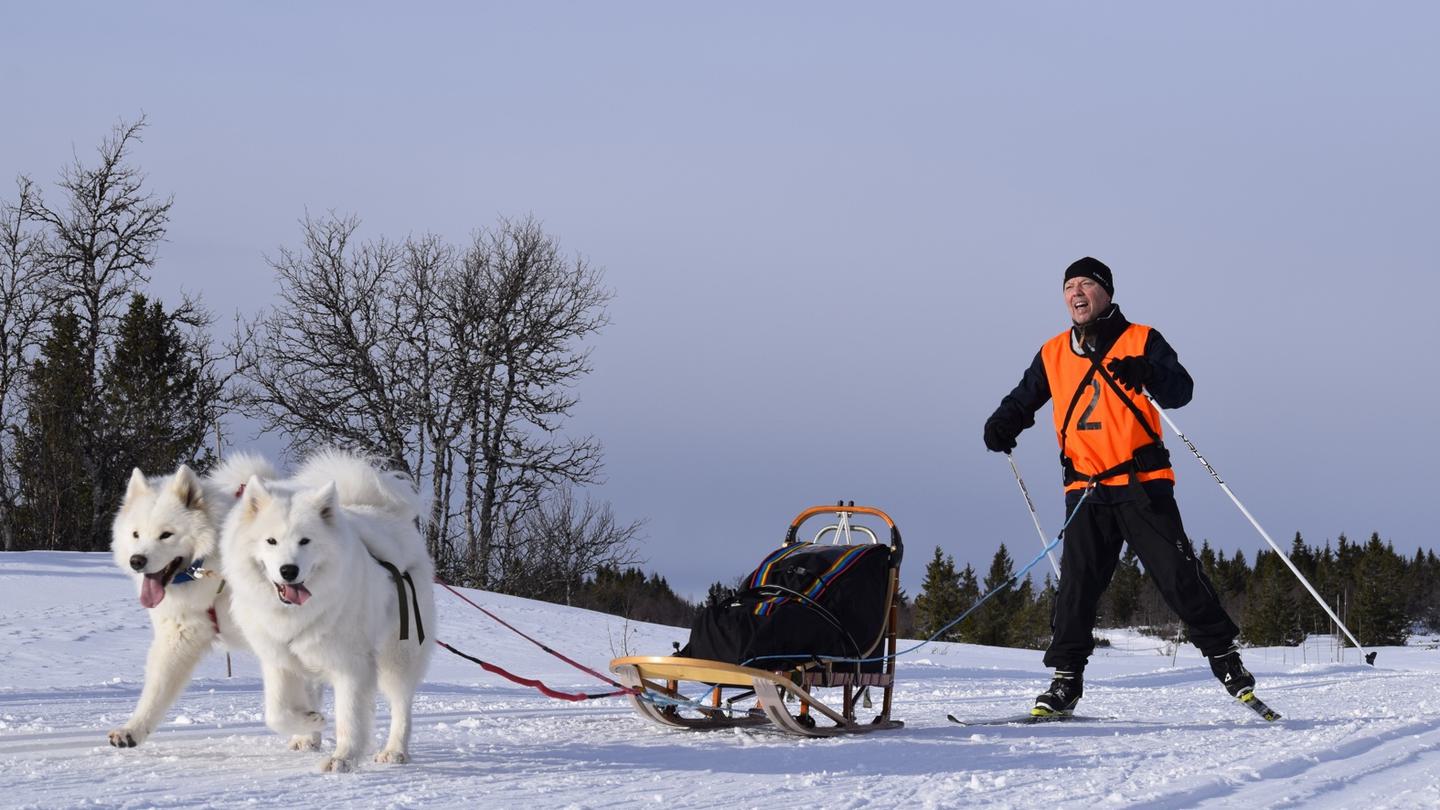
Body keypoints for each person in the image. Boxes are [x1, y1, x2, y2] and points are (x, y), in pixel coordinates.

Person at [982, 257, 1254, 716]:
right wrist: (1003, 422)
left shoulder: (1142, 339)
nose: (1076, 292)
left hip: (1142, 482)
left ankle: (1226, 659)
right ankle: (1065, 681)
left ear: (1106, 291)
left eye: (1086, 283)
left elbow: (1181, 391)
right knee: (1077, 587)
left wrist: (1147, 372)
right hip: (1085, 488)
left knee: (1176, 575)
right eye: (1069, 286)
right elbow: (1024, 397)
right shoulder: (1052, 352)